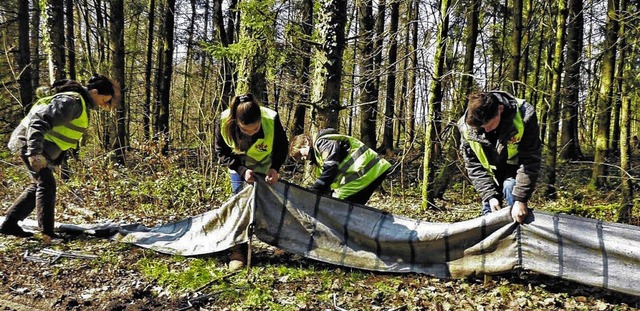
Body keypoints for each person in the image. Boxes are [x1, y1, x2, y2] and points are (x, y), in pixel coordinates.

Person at [1, 74, 119, 238]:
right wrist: (34, 152)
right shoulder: (73, 103)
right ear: (94, 92)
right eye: (104, 100)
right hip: (29, 143)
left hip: (38, 146)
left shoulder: (80, 103)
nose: (103, 104)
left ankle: (9, 224)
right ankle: (47, 233)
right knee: (47, 184)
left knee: (39, 185)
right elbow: (39, 122)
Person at [214, 93, 289, 270]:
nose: (251, 132)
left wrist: (275, 168)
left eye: (255, 129)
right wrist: (242, 170)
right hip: (239, 168)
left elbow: (281, 147)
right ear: (236, 122)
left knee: (271, 204)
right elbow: (221, 152)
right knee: (240, 207)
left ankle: (278, 243)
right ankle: (238, 250)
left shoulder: (271, 118)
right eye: (246, 130)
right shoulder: (223, 121)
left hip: (265, 167)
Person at [457, 91, 541, 223]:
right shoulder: (466, 127)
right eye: (482, 127)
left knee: (511, 190)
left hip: (516, 170)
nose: (486, 130)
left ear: (500, 109)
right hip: (489, 175)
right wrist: (489, 196)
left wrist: (521, 199)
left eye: (489, 125)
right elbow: (473, 165)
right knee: (489, 212)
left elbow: (530, 159)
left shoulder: (524, 114)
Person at [289, 128, 391, 205]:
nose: (303, 159)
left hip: (367, 173)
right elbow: (328, 183)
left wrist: (315, 189)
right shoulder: (319, 161)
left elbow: (330, 168)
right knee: (353, 209)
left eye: (300, 154)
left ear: (306, 142)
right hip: (373, 172)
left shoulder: (321, 143)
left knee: (339, 207)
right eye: (299, 158)